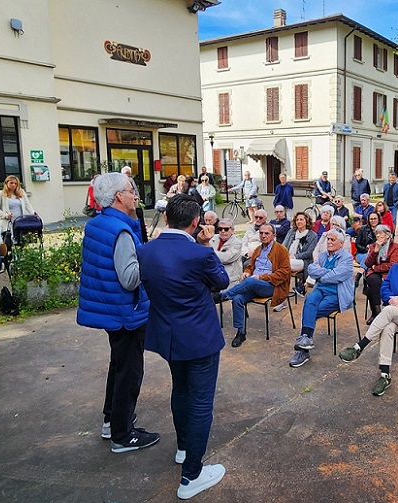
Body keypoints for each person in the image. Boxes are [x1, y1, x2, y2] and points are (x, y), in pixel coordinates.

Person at [138, 194, 230, 500]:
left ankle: (183, 448)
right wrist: (206, 246)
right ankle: (192, 475)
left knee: (180, 390)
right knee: (201, 402)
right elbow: (222, 281)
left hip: (168, 335)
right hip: (200, 337)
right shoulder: (199, 254)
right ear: (195, 223)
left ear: (166, 219)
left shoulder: (146, 250)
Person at [75, 172, 159, 453]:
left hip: (113, 310)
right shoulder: (120, 230)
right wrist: (152, 257)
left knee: (119, 366)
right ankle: (123, 436)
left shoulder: (100, 224)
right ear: (118, 197)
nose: (136, 194)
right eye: (130, 190)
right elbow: (130, 278)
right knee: (129, 373)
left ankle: (112, 420)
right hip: (127, 312)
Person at [338, 236, 398, 396]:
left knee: (387, 311)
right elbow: (384, 289)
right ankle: (385, 374)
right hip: (396, 312)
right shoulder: (396, 268)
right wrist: (394, 301)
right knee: (387, 328)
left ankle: (359, 346)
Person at [289, 229, 355, 368]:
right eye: (328, 239)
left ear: (341, 243)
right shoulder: (323, 255)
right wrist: (327, 272)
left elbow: (337, 276)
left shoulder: (347, 258)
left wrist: (321, 273)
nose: (329, 242)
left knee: (311, 311)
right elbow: (311, 270)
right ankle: (305, 341)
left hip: (337, 294)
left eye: (333, 240)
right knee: (310, 300)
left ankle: (303, 350)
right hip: (320, 290)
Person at [221, 223, 291, 347]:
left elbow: (284, 273)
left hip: (270, 286)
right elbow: (250, 266)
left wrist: (261, 277)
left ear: (273, 235)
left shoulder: (281, 250)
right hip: (253, 285)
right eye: (261, 233)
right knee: (237, 299)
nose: (263, 236)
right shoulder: (258, 249)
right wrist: (247, 272)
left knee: (251, 281)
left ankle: (224, 296)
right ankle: (240, 333)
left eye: (266, 233)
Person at [362, 225, 398, 324]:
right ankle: (378, 311)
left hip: (388, 274)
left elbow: (393, 265)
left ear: (388, 235)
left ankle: (375, 314)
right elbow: (368, 264)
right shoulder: (373, 246)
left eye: (380, 233)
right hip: (374, 274)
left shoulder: (394, 246)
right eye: (376, 234)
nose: (378, 236)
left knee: (371, 290)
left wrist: (377, 268)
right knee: (373, 280)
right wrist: (376, 250)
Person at [283, 212, 319, 298]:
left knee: (284, 264)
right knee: (282, 265)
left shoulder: (312, 235)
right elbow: (283, 245)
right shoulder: (291, 232)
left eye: (301, 219)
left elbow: (309, 253)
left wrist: (294, 256)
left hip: (302, 261)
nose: (299, 221)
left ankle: (282, 292)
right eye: (297, 220)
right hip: (287, 258)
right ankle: (281, 291)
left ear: (306, 221)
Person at [212, 219, 243, 289]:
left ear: (232, 230)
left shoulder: (237, 242)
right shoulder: (213, 238)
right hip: (213, 276)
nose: (223, 231)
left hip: (230, 279)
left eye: (226, 229)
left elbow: (226, 258)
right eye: (220, 229)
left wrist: (210, 251)